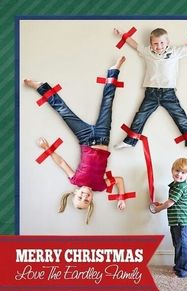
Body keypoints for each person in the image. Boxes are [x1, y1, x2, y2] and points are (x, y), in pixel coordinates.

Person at [24, 56, 127, 224]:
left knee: (64, 112)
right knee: (108, 103)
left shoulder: (75, 180)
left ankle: (40, 87)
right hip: (103, 137)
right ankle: (114, 70)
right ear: (91, 199)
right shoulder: (101, 186)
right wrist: (121, 197)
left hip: (85, 138)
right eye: (86, 199)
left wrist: (48, 149)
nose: (84, 195)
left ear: (75, 192)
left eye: (80, 197)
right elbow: (120, 180)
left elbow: (62, 163)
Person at [113, 27, 187, 151]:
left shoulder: (175, 52)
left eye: (162, 43)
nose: (159, 46)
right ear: (151, 44)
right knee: (140, 116)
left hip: (168, 92)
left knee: (181, 117)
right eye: (156, 43)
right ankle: (129, 141)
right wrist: (122, 34)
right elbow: (135, 45)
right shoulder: (147, 52)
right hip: (151, 92)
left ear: (167, 43)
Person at [149, 158, 187, 278]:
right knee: (178, 244)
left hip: (181, 221)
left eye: (183, 172)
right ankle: (178, 267)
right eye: (177, 170)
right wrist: (161, 203)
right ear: (172, 170)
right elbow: (171, 201)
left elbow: (170, 203)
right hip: (176, 221)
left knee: (182, 245)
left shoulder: (179, 187)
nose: (179, 174)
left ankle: (182, 271)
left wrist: (159, 209)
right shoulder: (176, 185)